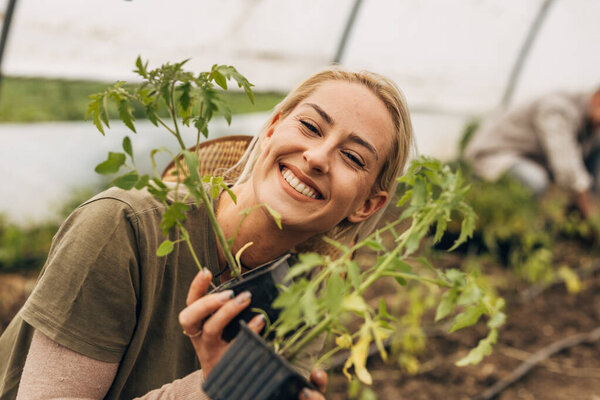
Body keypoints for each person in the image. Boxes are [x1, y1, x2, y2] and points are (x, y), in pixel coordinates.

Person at [0, 67, 413, 400]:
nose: (318, 157)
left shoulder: (308, 296)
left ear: (367, 206)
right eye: (309, 126)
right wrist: (214, 388)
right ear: (271, 129)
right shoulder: (121, 229)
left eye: (353, 157)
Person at [464, 88, 600, 218]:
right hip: (497, 154)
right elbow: (565, 163)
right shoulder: (558, 108)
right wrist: (587, 210)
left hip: (531, 161)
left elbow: (588, 172)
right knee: (535, 181)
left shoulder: (593, 125)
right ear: (597, 98)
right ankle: (513, 220)